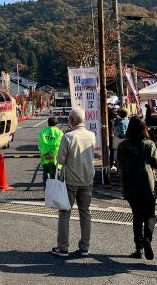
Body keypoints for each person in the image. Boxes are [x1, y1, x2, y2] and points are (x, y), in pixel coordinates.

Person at [51, 107, 95, 258]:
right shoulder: (91, 135)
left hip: (70, 180)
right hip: (88, 179)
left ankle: (62, 247)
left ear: (71, 120)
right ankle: (84, 248)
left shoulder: (68, 137)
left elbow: (60, 160)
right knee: (85, 213)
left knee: (64, 213)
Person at [118, 117, 157, 260]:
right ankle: (147, 239)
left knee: (137, 216)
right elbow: (156, 165)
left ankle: (138, 248)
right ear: (144, 129)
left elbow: (119, 165)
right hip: (148, 185)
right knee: (149, 215)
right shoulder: (149, 145)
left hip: (130, 184)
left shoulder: (123, 146)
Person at [37, 117, 63, 187]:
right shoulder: (59, 132)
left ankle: (47, 195)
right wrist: (52, 154)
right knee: (57, 180)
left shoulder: (43, 131)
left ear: (48, 124)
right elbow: (59, 145)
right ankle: (56, 196)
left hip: (45, 160)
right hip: (56, 161)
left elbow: (41, 144)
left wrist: (46, 154)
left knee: (46, 179)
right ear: (57, 124)